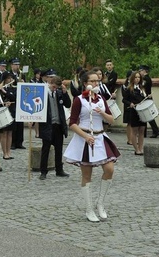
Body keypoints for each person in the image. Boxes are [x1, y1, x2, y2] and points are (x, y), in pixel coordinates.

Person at [63, 70, 121, 222]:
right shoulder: (78, 100)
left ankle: (100, 203)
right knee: (87, 175)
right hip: (85, 138)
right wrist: (85, 136)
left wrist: (102, 112)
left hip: (100, 137)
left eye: (97, 81)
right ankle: (89, 209)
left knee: (109, 169)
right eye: (93, 81)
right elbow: (72, 123)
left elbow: (111, 120)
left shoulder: (101, 98)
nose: (96, 83)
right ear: (85, 83)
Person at [38, 72, 71, 179]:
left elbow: (68, 104)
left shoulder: (59, 93)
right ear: (50, 83)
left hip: (58, 125)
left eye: (56, 87)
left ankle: (59, 169)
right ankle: (43, 171)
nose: (54, 89)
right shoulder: (43, 93)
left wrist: (65, 93)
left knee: (58, 149)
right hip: (47, 125)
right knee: (45, 149)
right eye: (53, 87)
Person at [122, 70, 147, 156]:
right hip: (134, 111)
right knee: (134, 131)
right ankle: (136, 149)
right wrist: (130, 104)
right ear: (133, 78)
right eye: (136, 77)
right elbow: (124, 99)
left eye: (139, 77)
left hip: (142, 112)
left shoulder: (142, 88)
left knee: (142, 130)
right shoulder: (129, 88)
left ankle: (141, 147)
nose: (137, 79)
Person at [139, 65, 159, 138]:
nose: (139, 72)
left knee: (147, 116)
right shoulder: (146, 78)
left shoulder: (145, 79)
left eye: (140, 71)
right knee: (146, 116)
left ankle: (155, 131)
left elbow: (142, 87)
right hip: (147, 98)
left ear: (144, 71)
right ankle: (151, 131)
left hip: (145, 98)